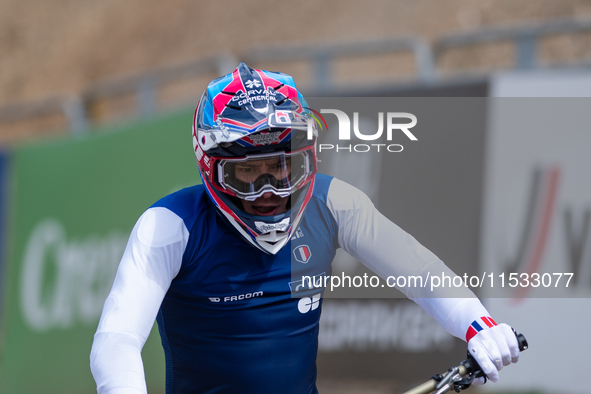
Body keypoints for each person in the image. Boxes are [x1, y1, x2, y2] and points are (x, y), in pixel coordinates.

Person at [90, 62, 519, 394]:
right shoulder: (169, 227)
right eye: (249, 173)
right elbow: (117, 340)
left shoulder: (334, 203)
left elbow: (417, 270)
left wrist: (478, 324)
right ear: (211, 168)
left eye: (282, 168)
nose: (269, 190)